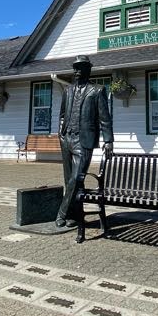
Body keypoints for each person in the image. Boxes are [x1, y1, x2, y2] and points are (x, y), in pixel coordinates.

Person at [56, 55, 114, 229]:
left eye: (81, 68)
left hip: (84, 141)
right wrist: (61, 133)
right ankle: (75, 216)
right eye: (75, 68)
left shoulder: (97, 91)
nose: (77, 71)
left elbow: (105, 119)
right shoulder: (67, 91)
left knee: (76, 178)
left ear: (88, 70)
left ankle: (61, 213)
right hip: (67, 138)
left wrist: (108, 140)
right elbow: (62, 116)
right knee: (71, 181)